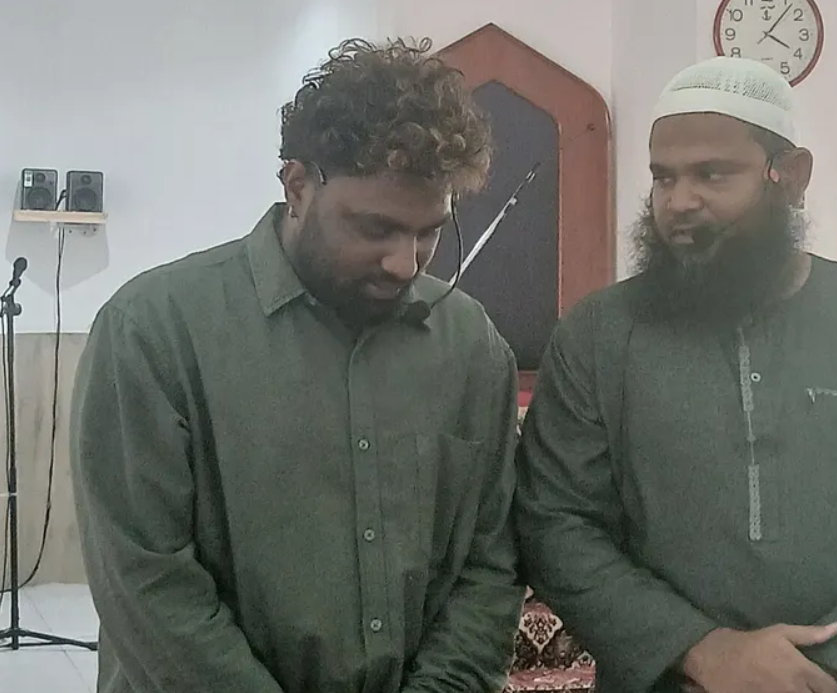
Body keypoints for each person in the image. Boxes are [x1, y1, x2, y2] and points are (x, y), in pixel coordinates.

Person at [515, 56, 837, 693]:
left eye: (712, 174)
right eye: (663, 177)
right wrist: (702, 650)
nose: (679, 202)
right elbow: (555, 523)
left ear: (791, 176)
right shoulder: (596, 336)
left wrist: (827, 666)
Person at [70, 37, 524, 693]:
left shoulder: (471, 346)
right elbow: (146, 584)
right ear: (298, 186)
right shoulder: (152, 332)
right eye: (375, 228)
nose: (404, 263)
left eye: (428, 231)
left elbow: (489, 563)